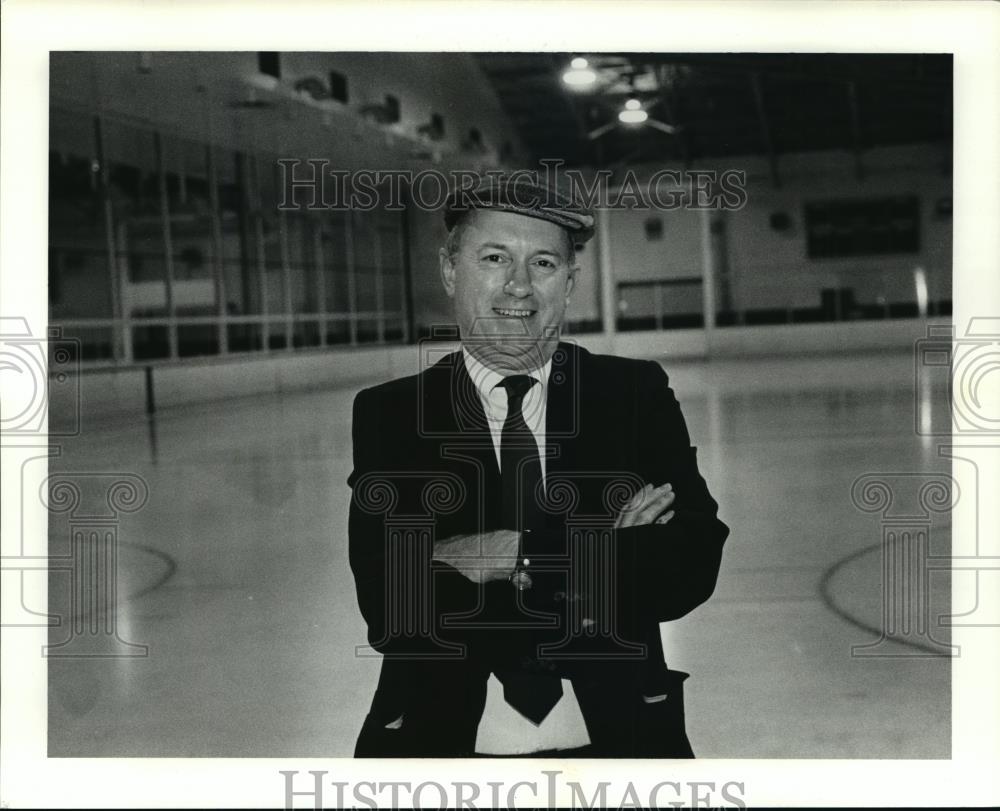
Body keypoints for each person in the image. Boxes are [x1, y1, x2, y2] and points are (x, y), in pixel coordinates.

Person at [347, 173, 729, 757]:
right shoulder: (392, 413)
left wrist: (497, 554)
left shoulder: (632, 394)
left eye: (544, 264)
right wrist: (602, 547)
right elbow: (390, 603)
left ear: (570, 282)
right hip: (438, 744)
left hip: (623, 736)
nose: (519, 287)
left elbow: (687, 568)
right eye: (495, 257)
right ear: (451, 270)